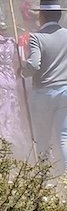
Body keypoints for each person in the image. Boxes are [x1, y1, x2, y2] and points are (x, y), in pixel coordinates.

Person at [23, 0, 67, 178]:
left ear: (42, 16)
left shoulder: (37, 37)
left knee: (43, 140)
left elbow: (33, 65)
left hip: (43, 93)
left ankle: (43, 183)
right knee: (65, 140)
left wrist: (21, 69)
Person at [0, 21, 29, 155]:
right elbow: (18, 64)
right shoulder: (12, 43)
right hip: (10, 82)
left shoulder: (11, 43)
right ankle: (14, 147)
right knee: (10, 116)